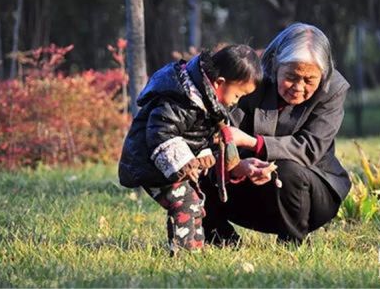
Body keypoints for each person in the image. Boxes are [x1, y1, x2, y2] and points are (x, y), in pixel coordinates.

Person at [201, 23, 351, 245]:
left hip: (309, 195)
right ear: (275, 64)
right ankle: (220, 238)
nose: (298, 87)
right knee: (196, 163)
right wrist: (238, 164)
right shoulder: (251, 78)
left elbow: (310, 148)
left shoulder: (334, 88)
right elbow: (221, 130)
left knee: (288, 168)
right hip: (246, 184)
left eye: (309, 80)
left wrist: (254, 143)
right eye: (291, 76)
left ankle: (292, 242)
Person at [118, 45, 262, 255]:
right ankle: (183, 251)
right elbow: (160, 132)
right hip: (154, 164)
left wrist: (203, 153)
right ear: (219, 83)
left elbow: (197, 134)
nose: (236, 102)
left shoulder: (208, 103)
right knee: (184, 202)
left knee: (195, 202)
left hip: (172, 166)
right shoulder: (182, 100)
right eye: (238, 95)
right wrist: (184, 161)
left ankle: (196, 246)